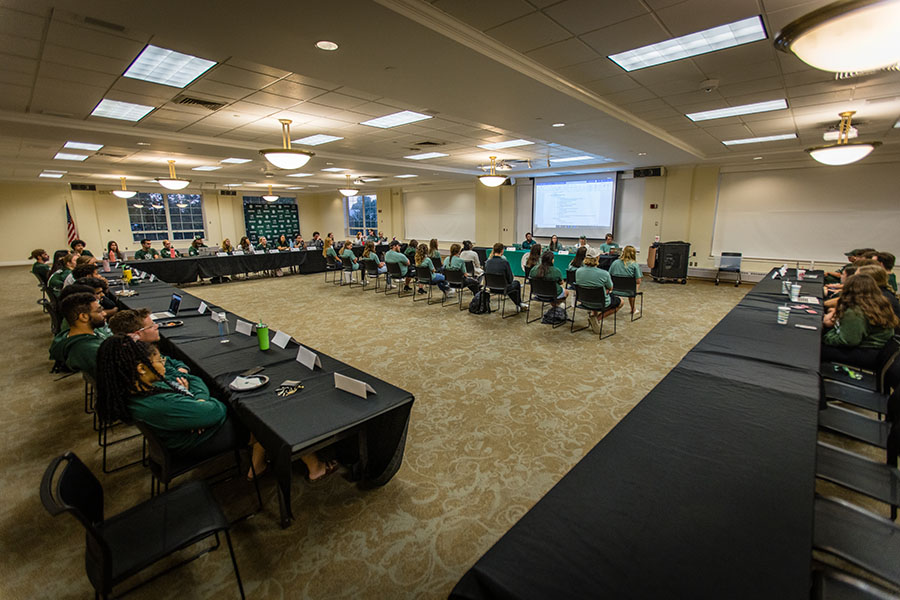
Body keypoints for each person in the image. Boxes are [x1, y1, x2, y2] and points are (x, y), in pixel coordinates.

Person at [96, 336, 341, 482]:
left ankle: (257, 465)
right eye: (159, 360)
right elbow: (214, 411)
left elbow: (189, 382)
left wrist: (195, 395)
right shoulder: (155, 403)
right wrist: (200, 399)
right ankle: (315, 467)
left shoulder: (139, 388)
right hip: (201, 442)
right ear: (140, 368)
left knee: (233, 399)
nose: (163, 363)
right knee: (265, 411)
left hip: (192, 431)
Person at [822, 274, 898, 369]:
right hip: (876, 352)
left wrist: (826, 337)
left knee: (815, 348)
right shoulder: (877, 304)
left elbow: (848, 341)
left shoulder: (855, 311)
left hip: (865, 353)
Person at [109, 308, 191, 377]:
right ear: (138, 334)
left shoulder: (147, 349)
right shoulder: (140, 360)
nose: (157, 326)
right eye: (151, 326)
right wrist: (182, 374)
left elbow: (170, 361)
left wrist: (181, 368)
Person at [48, 292, 108, 377]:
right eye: (99, 311)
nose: (104, 313)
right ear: (84, 317)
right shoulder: (90, 350)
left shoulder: (68, 336)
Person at [575, 254, 622, 332]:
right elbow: (610, 288)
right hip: (601, 302)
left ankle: (594, 318)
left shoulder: (578, 271)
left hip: (584, 301)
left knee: (595, 294)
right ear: (597, 258)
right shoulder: (604, 273)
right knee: (621, 302)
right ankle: (597, 319)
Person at [484, 243, 526, 311]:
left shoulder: (487, 262)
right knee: (516, 283)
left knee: (511, 286)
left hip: (491, 288)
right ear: (502, 251)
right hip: (503, 288)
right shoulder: (504, 262)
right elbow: (510, 279)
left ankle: (519, 304)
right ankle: (519, 304)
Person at [608, 245, 643, 315]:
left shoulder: (615, 263)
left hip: (614, 290)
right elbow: (638, 281)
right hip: (629, 291)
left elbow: (608, 276)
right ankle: (633, 308)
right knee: (635, 284)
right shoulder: (635, 265)